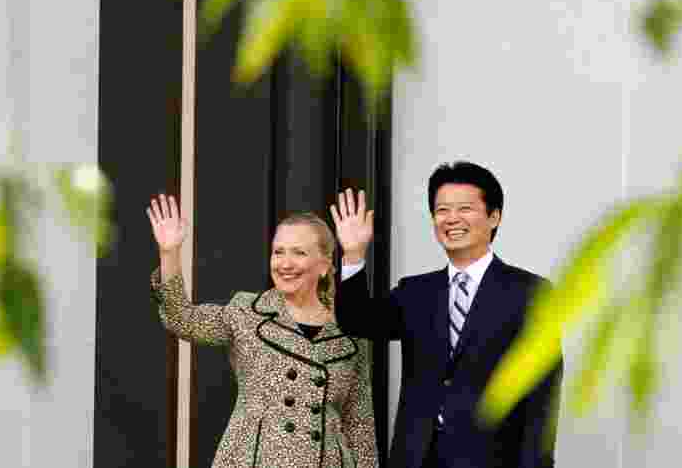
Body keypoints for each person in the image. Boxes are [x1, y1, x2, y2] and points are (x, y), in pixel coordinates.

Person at [331, 162, 561, 468]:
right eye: (442, 210)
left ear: (494, 216)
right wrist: (353, 254)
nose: (452, 219)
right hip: (417, 458)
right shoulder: (416, 292)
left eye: (465, 208)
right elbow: (357, 320)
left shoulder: (530, 292)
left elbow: (542, 396)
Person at [146, 193, 379, 468]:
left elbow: (359, 422)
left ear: (325, 265)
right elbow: (182, 319)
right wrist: (169, 252)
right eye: (278, 252)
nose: (285, 263)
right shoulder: (247, 312)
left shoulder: (352, 328)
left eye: (299, 252)